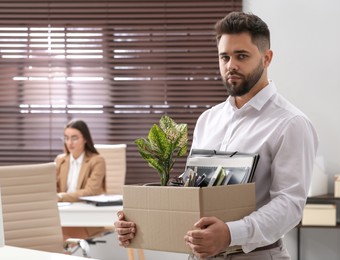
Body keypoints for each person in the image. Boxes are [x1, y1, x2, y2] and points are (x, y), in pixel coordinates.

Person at [114, 11, 319, 260]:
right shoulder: (208, 119)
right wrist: (139, 221)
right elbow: (192, 185)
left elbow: (290, 206)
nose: (230, 65)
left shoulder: (291, 123)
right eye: (224, 57)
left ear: (267, 58)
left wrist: (231, 234)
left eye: (241, 56)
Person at [56, 119, 106, 239]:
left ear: (85, 139)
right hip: (64, 214)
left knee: (59, 237)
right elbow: (51, 187)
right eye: (66, 138)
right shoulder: (60, 160)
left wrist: (61, 197)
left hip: (86, 217)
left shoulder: (97, 160)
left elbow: (90, 192)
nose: (69, 143)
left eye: (74, 138)